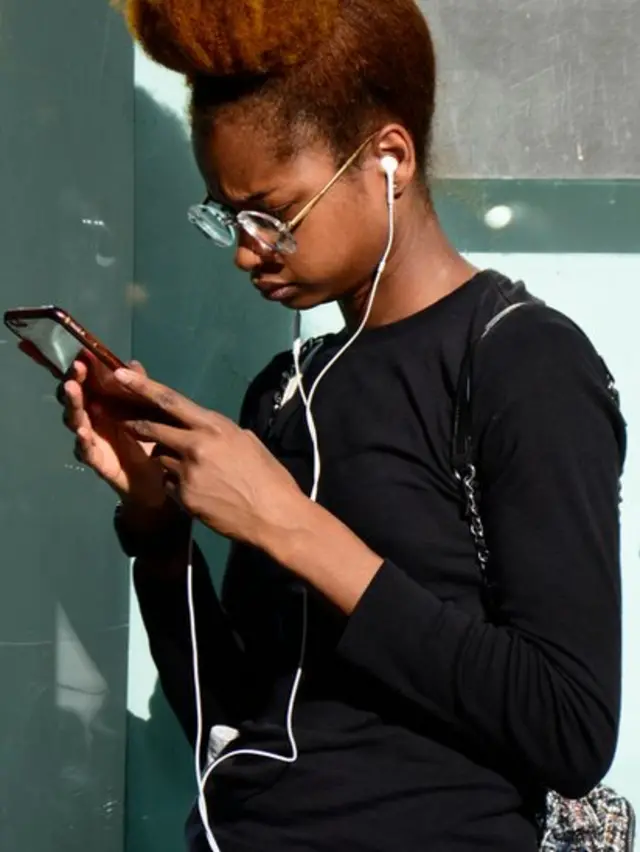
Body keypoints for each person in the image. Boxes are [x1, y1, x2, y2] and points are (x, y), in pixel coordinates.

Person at [60, 0, 626, 849]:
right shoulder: (283, 391)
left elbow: (570, 727)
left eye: (271, 213)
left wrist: (287, 524)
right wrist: (158, 522)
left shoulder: (519, 360)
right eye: (227, 216)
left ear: (388, 160)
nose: (247, 251)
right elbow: (235, 730)